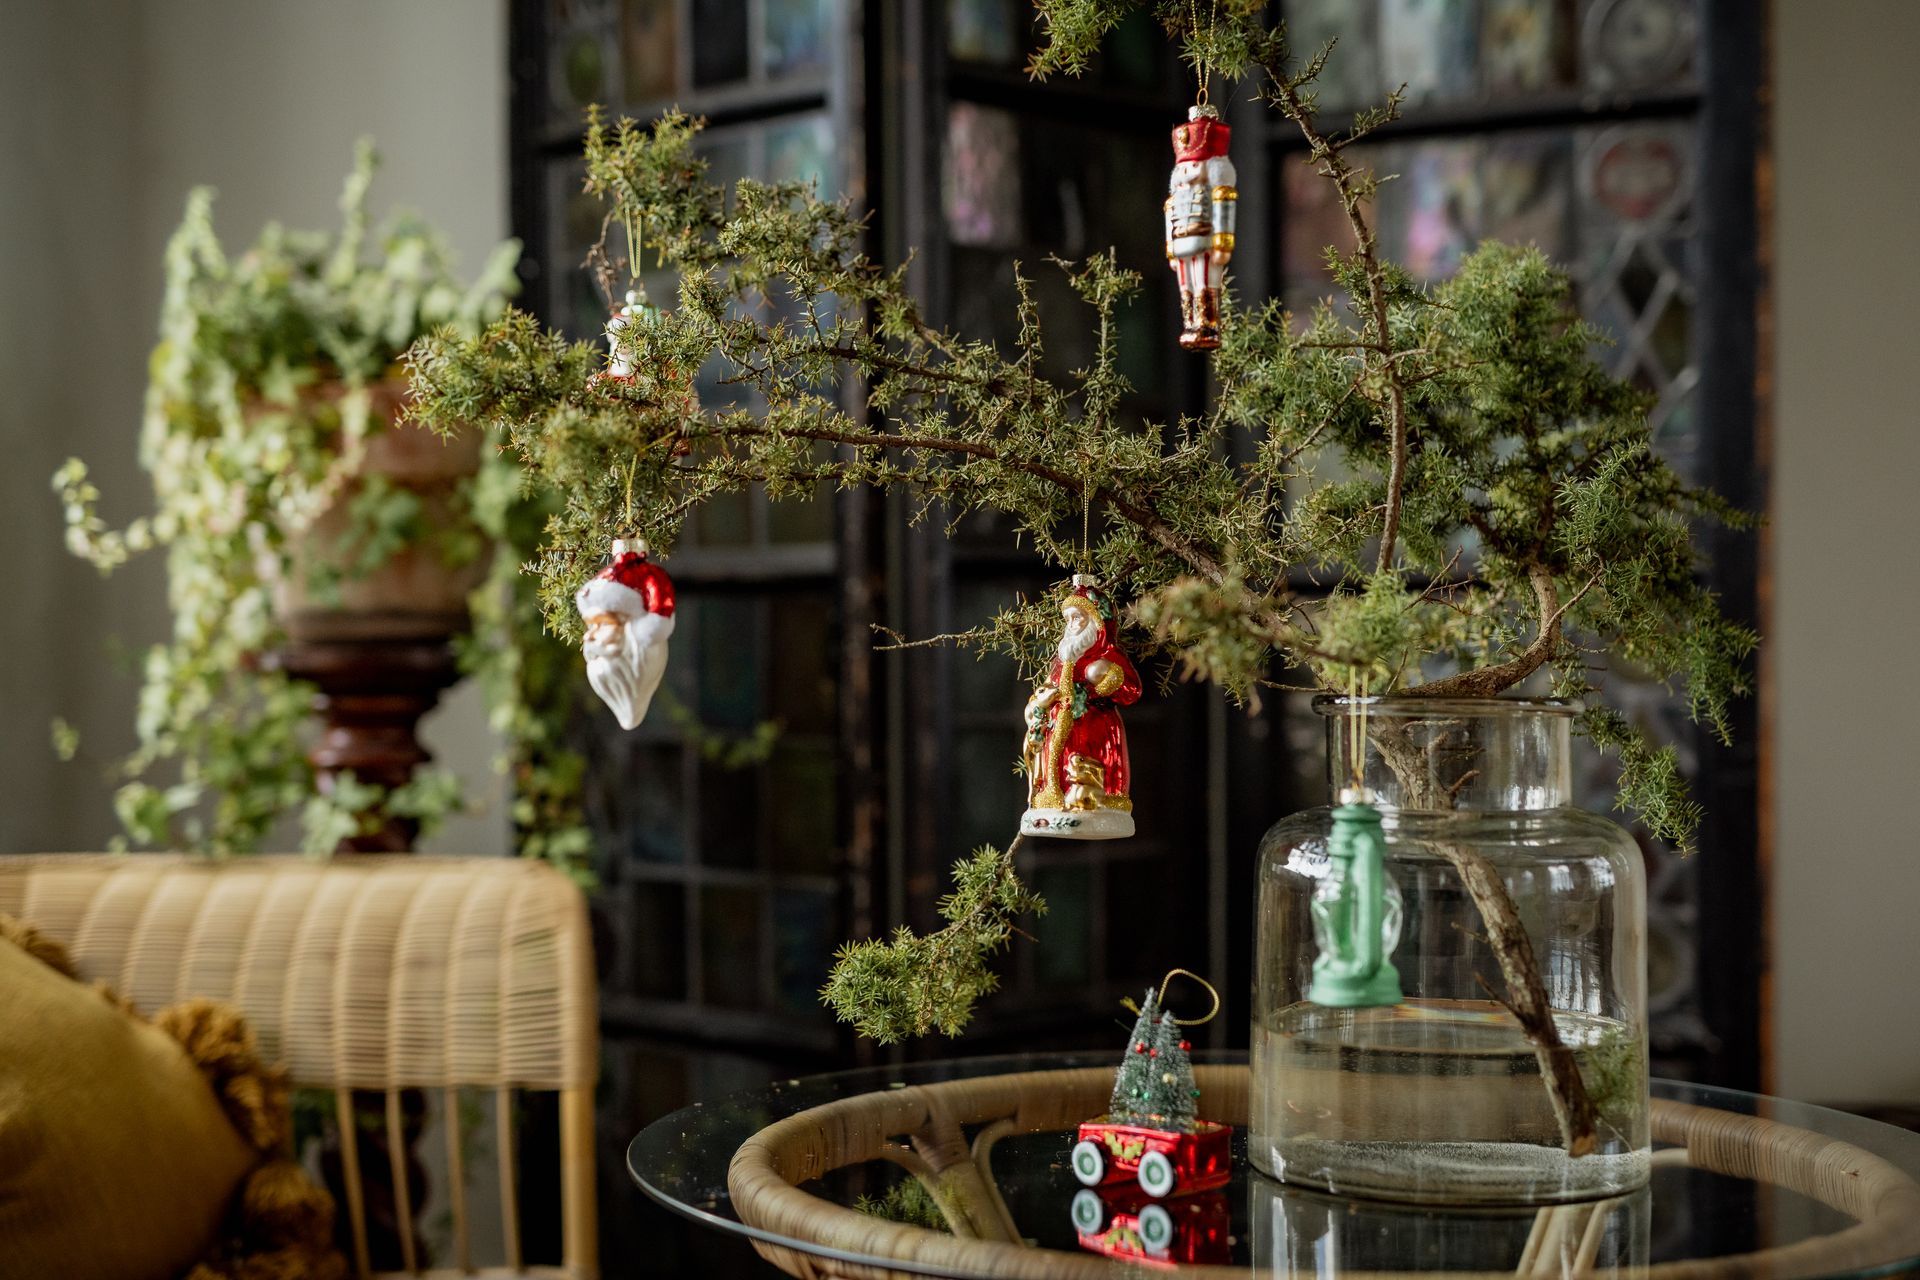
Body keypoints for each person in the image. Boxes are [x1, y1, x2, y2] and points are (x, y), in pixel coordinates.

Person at [1021, 576, 1142, 840]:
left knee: (1099, 769)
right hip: (1062, 727)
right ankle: (1055, 793)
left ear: (1096, 623)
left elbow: (1132, 691)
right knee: (1058, 763)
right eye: (1069, 620)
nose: (1072, 626)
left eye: (1078, 618)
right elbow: (1048, 689)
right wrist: (1038, 705)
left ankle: (1102, 799)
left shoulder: (1108, 656)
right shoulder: (1062, 660)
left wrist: (1106, 680)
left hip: (1099, 727)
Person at [576, 539, 675, 730]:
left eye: (602, 624)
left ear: (637, 629)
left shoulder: (643, 636)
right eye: (591, 626)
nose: (588, 637)